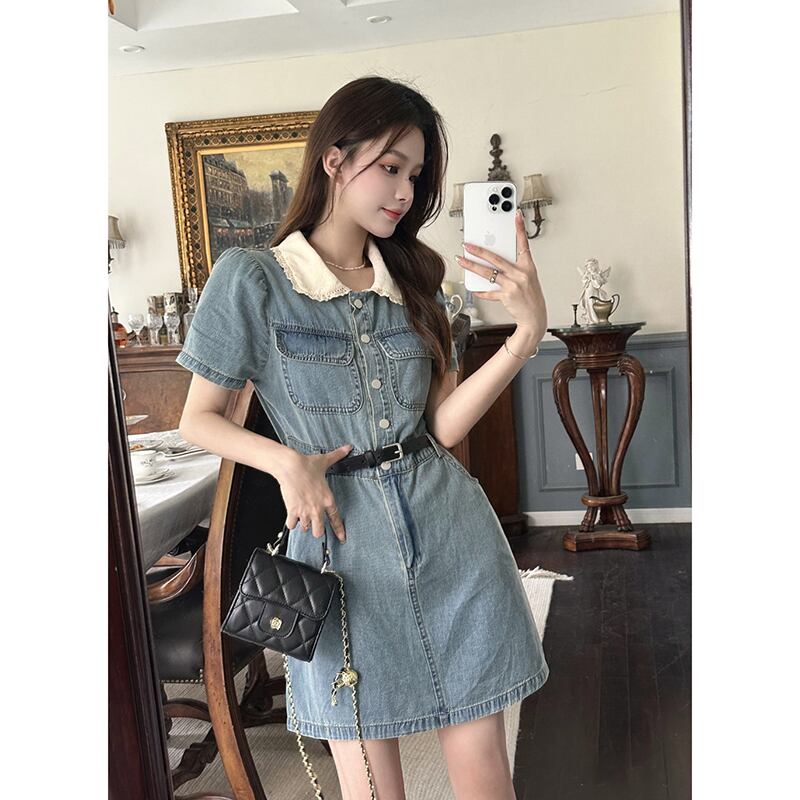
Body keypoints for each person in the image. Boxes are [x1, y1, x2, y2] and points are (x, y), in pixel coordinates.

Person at [176, 75, 549, 800]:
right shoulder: (254, 279)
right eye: (391, 167)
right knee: (373, 788)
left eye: (415, 175)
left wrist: (526, 335)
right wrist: (287, 464)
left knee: (486, 778)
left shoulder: (415, 279)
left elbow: (440, 427)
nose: (405, 192)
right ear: (334, 160)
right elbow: (199, 417)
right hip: (341, 555)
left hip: (452, 537)